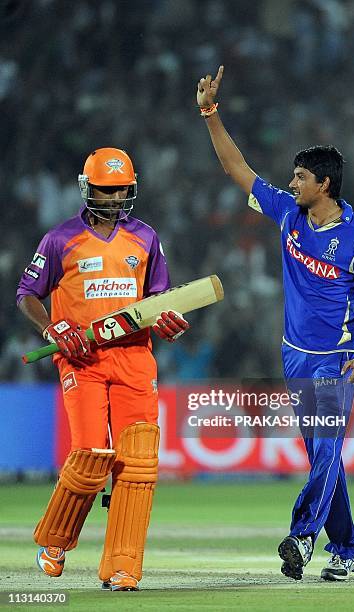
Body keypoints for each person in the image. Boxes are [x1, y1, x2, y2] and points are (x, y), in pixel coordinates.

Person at [196, 66, 354, 581]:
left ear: (323, 184)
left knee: (327, 447)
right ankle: (349, 548)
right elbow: (236, 168)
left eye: (300, 177)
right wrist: (210, 114)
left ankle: (303, 538)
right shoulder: (288, 214)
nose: (291, 183)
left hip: (336, 359)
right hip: (294, 354)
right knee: (322, 457)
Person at [17, 147, 190, 591]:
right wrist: (52, 327)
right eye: (105, 190)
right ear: (86, 188)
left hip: (134, 357)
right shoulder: (60, 239)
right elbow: (27, 294)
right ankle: (55, 541)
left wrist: (167, 320)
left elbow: (158, 301)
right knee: (92, 454)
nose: (113, 199)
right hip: (82, 359)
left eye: (120, 191)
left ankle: (123, 567)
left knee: (137, 466)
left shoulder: (146, 237)